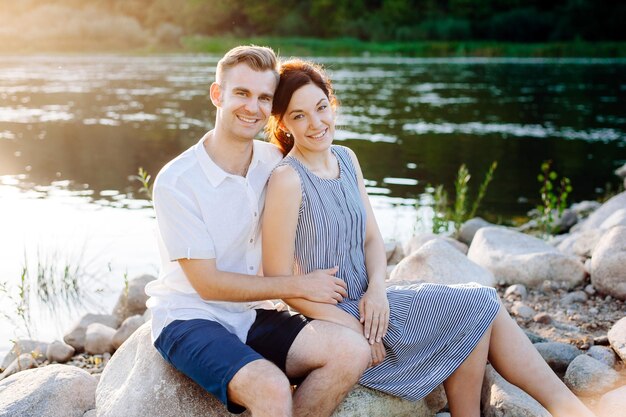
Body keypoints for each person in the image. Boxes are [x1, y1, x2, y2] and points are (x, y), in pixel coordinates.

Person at [262, 58, 597, 417]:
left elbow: (372, 239)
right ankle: (574, 411)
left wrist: (377, 289)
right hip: (332, 316)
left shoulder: (346, 158)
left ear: (332, 103)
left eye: (321, 107)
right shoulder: (288, 179)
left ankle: (570, 410)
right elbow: (280, 282)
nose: (316, 123)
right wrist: (355, 329)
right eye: (299, 116)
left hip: (373, 300)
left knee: (478, 306)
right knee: (477, 308)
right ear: (282, 123)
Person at [145, 46, 372, 417]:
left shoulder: (273, 162)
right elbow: (208, 285)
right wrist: (297, 286)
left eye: (264, 97)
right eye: (241, 93)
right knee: (271, 386)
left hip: (253, 314)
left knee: (352, 350)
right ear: (217, 94)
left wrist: (365, 287)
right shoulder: (178, 181)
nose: (252, 107)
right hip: (190, 317)